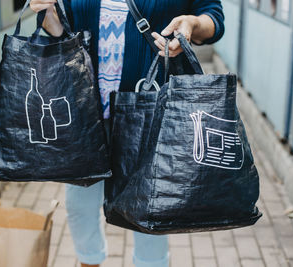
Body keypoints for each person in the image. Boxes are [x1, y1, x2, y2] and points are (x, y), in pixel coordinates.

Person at [30, 1, 224, 266]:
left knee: (149, 208)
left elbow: (213, 17)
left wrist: (192, 24)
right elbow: (63, 31)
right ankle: (89, 260)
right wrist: (47, 13)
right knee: (80, 207)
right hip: (85, 113)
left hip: (149, 111)